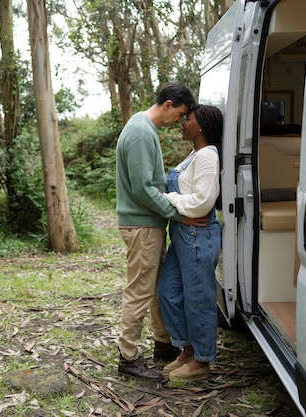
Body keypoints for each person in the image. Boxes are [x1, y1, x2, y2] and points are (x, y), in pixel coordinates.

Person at [116, 82, 206, 381]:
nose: (179, 121)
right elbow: (143, 189)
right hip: (142, 224)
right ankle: (127, 358)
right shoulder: (141, 131)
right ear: (167, 104)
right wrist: (178, 215)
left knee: (153, 288)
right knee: (139, 291)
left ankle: (162, 343)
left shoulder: (143, 128)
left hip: (147, 223)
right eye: (179, 113)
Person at [157, 104, 224, 382]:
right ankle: (187, 348)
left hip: (198, 235)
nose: (183, 123)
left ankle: (202, 360)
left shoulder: (207, 156)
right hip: (183, 235)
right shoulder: (195, 155)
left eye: (189, 120)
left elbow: (202, 203)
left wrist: (168, 199)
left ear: (202, 127)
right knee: (168, 292)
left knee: (199, 299)